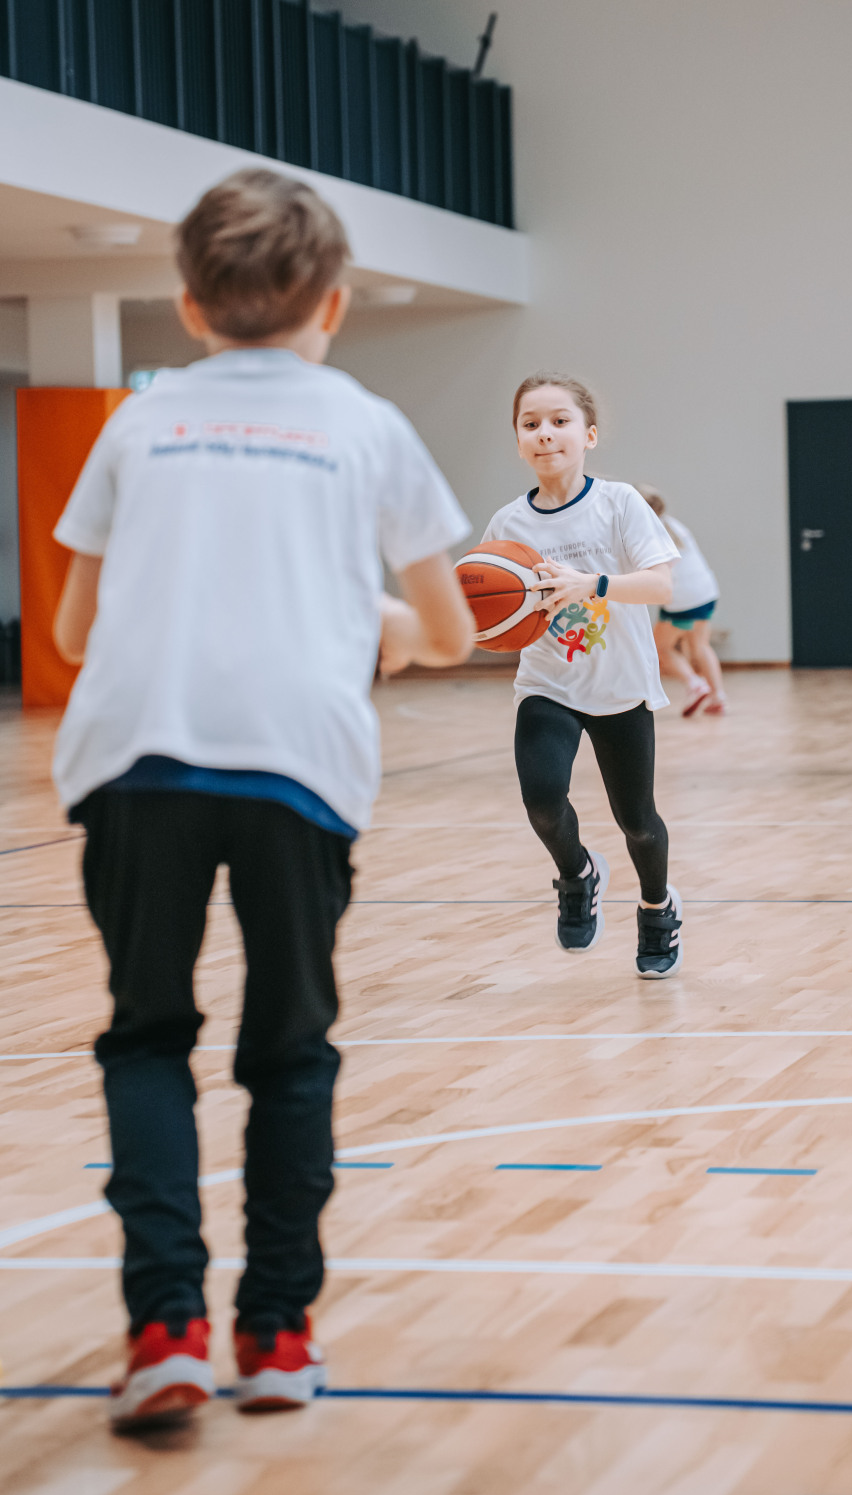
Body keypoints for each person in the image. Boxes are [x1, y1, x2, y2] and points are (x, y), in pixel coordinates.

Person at [51, 168, 473, 1429]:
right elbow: (450, 636)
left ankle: (165, 1328)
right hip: (298, 763)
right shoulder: (369, 424)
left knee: (146, 1039)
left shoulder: (135, 424)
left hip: (137, 761)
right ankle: (277, 1334)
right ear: (333, 304)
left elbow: (71, 634)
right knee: (289, 1052)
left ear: (188, 306)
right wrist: (385, 624)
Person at [481, 373, 684, 979]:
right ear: (518, 440)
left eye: (559, 421)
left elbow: (660, 585)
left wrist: (590, 584)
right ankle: (578, 874)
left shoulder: (618, 503)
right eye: (531, 424)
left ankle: (657, 908)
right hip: (548, 683)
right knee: (543, 801)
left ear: (588, 435)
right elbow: (487, 612)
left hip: (619, 686)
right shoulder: (507, 524)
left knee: (637, 823)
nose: (545, 433)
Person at [638, 486, 726, 716]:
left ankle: (695, 684)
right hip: (706, 591)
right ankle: (718, 696)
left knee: (659, 649)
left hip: (683, 599)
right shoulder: (673, 524)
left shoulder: (648, 532)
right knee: (700, 645)